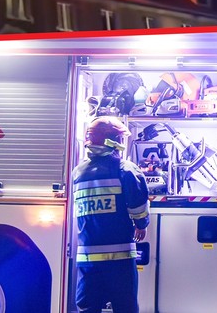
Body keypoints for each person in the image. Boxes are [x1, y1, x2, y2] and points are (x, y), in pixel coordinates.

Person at [72, 117, 150, 313]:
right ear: (113, 140)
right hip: (120, 259)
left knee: (88, 308)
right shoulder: (124, 169)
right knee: (125, 307)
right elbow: (138, 204)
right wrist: (141, 224)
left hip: (88, 260)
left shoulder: (78, 172)